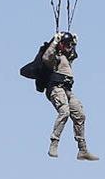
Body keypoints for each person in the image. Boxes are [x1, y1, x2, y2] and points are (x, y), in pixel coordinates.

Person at [35, 32, 99, 161]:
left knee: (80, 114)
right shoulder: (55, 57)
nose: (70, 47)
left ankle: (82, 150)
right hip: (56, 89)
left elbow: (73, 54)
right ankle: (54, 143)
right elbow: (46, 58)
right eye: (67, 45)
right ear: (61, 45)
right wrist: (55, 42)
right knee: (64, 112)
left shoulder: (67, 56)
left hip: (67, 90)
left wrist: (74, 43)